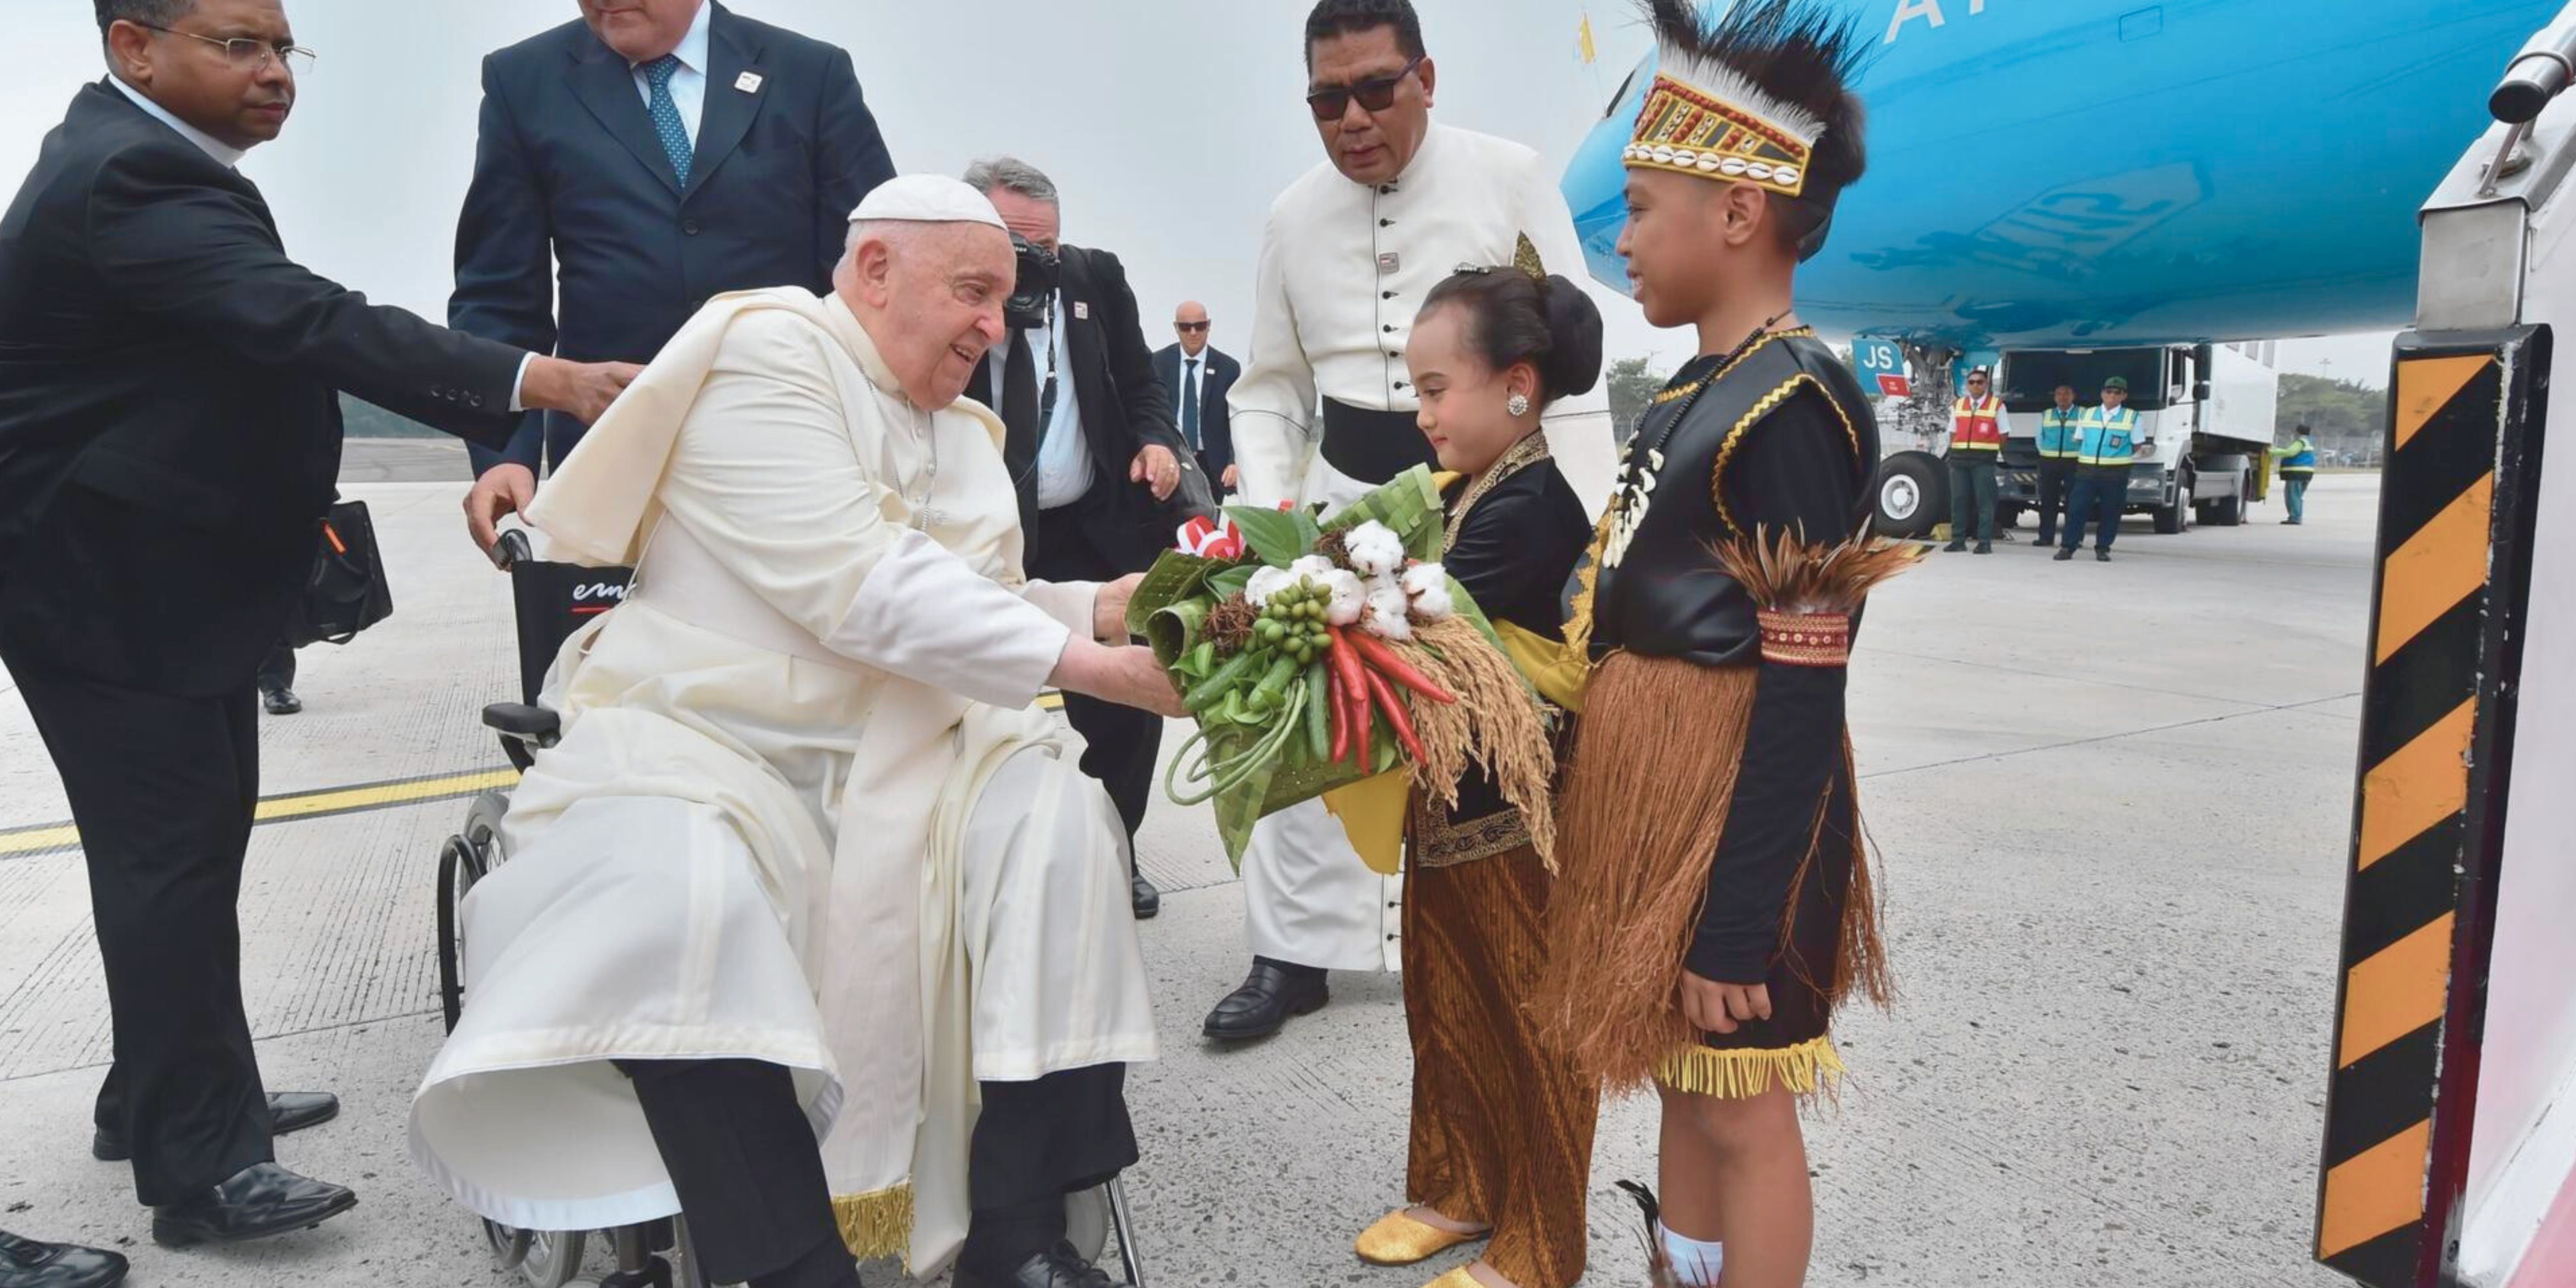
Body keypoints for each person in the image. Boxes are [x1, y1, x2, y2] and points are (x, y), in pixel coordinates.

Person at [409, 177, 1171, 1288]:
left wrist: (1104, 605)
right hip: (715, 738)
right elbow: (863, 585)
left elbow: (981, 602)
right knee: (681, 897)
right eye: (972, 291)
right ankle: (790, 1263)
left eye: (1003, 302)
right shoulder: (766, 357)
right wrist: (1096, 668)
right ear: (875, 270)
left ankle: (1017, 1233)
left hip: (915, 745)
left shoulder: (964, 434)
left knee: (1060, 821)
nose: (992, 326)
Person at [0, 0, 632, 1262]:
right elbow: (308, 320)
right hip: (105, 589)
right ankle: (204, 1165)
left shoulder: (149, 161)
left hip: (149, 583)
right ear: (135, 47)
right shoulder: (130, 174)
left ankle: (164, 1094)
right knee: (170, 864)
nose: (276, 73)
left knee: (184, 854)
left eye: (286, 48)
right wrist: (545, 380)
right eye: (238, 45)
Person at [1530, 4, 1894, 1287]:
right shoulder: (1698, 389)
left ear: (1739, 213)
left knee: (1740, 1099)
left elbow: (1801, 688)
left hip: (1741, 819)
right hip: (1663, 800)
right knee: (1686, 1082)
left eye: (1640, 209)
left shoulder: (1793, 403)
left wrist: (1739, 923)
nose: (1622, 240)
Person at [1209, 0, 1615, 1041]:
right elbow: (1268, 387)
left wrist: (1592, 525)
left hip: (1491, 498)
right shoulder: (1289, 215)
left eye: (1375, 90)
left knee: (1483, 730)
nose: (1352, 118)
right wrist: (1270, 523)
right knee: (1300, 710)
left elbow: (1569, 362)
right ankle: (1290, 952)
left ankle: (1478, 931)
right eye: (1326, 100)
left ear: (1425, 79)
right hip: (1342, 498)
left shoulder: (1509, 175)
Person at [1352, 257, 1602, 1288]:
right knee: (1445, 999)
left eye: (1434, 388)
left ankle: (1543, 1241)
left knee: (1532, 1024)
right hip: (1448, 806)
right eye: (1416, 390)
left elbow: (1406, 620)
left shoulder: (1531, 505)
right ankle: (1459, 1188)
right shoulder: (1464, 492)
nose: (1421, 414)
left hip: (1519, 823)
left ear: (1517, 387)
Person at [452, 0, 897, 552]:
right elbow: (499, 294)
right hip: (613, 465)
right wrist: (504, 455)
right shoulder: (524, 81)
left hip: (796, 447)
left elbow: (878, 274)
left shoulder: (809, 74)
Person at [957, 156, 1196, 922]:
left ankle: (1115, 851)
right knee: (985, 692)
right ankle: (988, 859)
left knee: (1125, 704)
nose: (1036, 263)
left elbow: (1141, 384)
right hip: (995, 532)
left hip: (1095, 526)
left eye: (1047, 246)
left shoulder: (1095, 280)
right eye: (1016, 245)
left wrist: (1155, 441)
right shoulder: (956, 301)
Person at [2055, 375, 2147, 562]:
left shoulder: (2132, 417)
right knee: (2076, 509)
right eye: (2109, 391)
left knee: (2111, 512)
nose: (2112, 396)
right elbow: (2080, 439)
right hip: (2087, 470)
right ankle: (2068, 547)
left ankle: (2103, 548)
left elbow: (2137, 444)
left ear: (2124, 396)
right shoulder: (2088, 414)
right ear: (2102, 394)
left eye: (2117, 393)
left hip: (2116, 472)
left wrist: (2114, 456)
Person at [1153, 301, 1240, 492]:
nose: (1193, 333)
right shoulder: (1158, 364)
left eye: (1199, 326)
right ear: (1176, 328)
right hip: (1172, 459)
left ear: (1209, 326)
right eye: (1186, 327)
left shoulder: (1228, 369)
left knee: (1210, 512)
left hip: (1213, 465)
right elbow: (1151, 414)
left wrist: (1234, 461)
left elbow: (1235, 420)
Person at [1945, 365, 2003, 553]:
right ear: (1968, 385)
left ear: (1986, 384)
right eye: (1972, 382)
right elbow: (1952, 431)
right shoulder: (1958, 405)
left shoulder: (1997, 406)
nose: (1976, 385)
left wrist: (1990, 450)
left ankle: (1984, 542)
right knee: (1959, 501)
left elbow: (2004, 434)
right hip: (1960, 460)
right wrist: (1954, 451)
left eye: (1980, 382)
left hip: (1983, 461)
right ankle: (1958, 540)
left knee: (1985, 502)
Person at [2033, 382, 2081, 550]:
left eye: (2067, 394)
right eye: (2059, 394)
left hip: (2075, 462)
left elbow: (2087, 437)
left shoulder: (2082, 414)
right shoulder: (2046, 415)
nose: (2063, 397)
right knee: (2048, 500)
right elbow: (2039, 438)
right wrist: (2046, 453)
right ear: (2055, 398)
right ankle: (2046, 537)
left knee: (2075, 502)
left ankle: (2074, 538)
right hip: (2050, 462)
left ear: (2073, 396)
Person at [2272, 423, 2317, 524]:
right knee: (2298, 496)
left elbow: (2290, 453)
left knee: (2293, 496)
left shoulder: (2300, 442)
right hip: (2307, 473)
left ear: (2298, 432)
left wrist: (2273, 452)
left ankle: (2295, 518)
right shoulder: (2309, 443)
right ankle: (2296, 517)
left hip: (2297, 473)